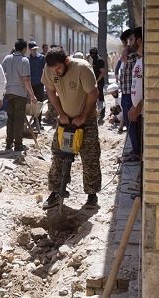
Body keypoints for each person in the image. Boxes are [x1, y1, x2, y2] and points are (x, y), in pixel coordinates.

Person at [41, 48, 102, 210]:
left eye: (59, 68)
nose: (56, 72)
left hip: (86, 120)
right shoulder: (50, 68)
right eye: (53, 69)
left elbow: (93, 94)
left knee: (90, 157)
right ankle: (55, 192)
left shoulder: (82, 68)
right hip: (65, 120)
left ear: (66, 61)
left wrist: (82, 117)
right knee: (59, 156)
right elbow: (51, 92)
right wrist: (61, 114)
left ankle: (91, 195)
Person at [1, 38, 37, 152]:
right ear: (24, 48)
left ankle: (8, 143)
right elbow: (26, 79)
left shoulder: (7, 58)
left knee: (10, 118)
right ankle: (18, 144)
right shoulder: (24, 60)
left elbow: (2, 76)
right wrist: (32, 95)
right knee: (19, 119)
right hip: (20, 94)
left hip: (8, 93)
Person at [128, 27, 144, 161]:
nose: (129, 42)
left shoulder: (146, 62)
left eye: (131, 39)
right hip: (138, 111)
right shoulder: (139, 60)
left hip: (142, 111)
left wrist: (137, 107)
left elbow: (150, 90)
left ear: (139, 41)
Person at [28, 40, 46, 129]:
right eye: (32, 49)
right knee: (32, 104)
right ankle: (33, 121)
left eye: (35, 49)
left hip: (39, 84)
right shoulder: (27, 60)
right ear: (29, 50)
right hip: (30, 85)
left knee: (39, 103)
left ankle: (38, 121)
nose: (34, 51)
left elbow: (46, 70)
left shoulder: (41, 58)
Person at [88, 47, 107, 122]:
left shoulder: (99, 60)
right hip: (95, 81)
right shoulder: (94, 59)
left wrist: (97, 81)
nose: (91, 56)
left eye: (92, 54)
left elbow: (102, 72)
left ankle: (102, 113)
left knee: (100, 96)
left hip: (99, 82)